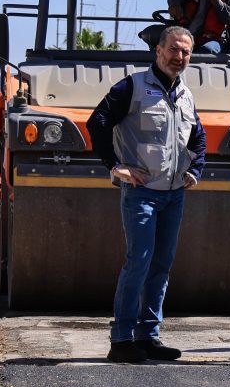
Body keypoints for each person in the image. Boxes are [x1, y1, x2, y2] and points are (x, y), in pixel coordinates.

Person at [86, 27, 205, 364]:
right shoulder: (132, 87)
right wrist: (115, 167)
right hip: (142, 194)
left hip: (173, 196)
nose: (178, 57)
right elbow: (97, 123)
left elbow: (198, 136)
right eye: (173, 50)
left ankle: (148, 336)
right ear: (158, 50)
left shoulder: (185, 94)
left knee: (161, 266)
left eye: (185, 52)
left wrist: (195, 171)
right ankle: (121, 339)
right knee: (138, 263)